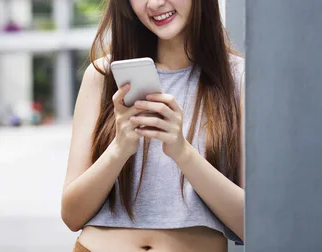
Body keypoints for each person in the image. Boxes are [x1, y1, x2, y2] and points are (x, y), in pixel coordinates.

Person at [61, 0, 245, 251]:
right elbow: (72, 216)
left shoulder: (239, 80)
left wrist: (182, 152)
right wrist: (120, 148)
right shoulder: (103, 76)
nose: (156, 3)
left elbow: (249, 223)